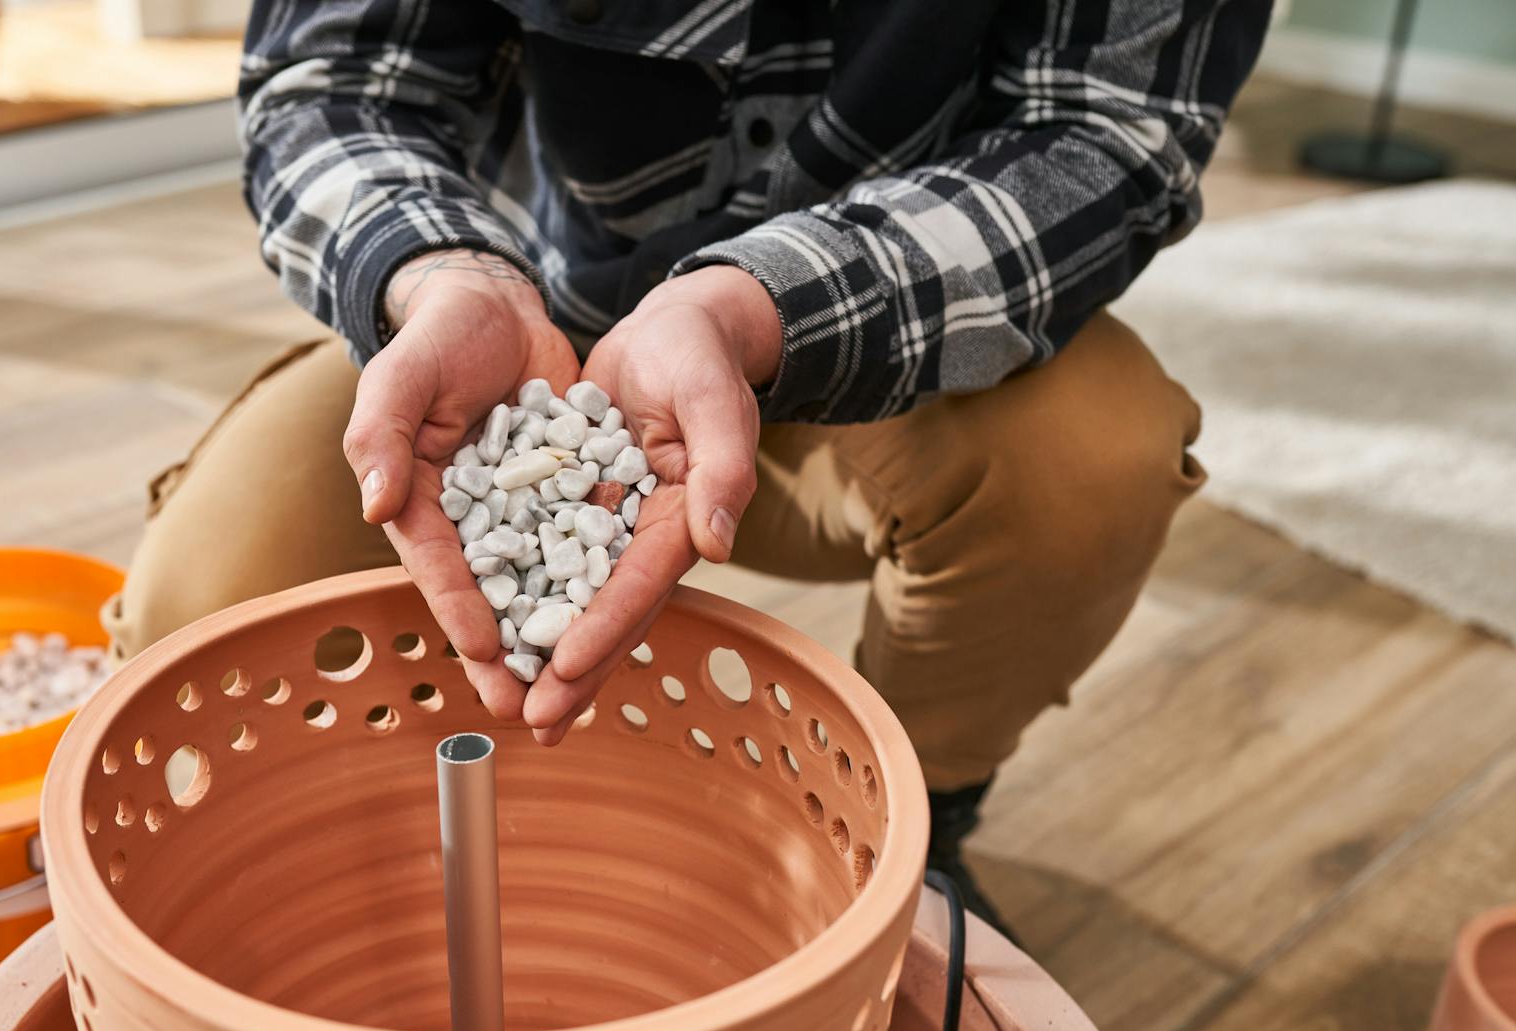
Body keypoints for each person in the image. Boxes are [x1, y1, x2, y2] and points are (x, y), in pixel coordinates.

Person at [103, 0, 1270, 932]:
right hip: (515, 329)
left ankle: (921, 815)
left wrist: (753, 309)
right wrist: (441, 274)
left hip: (887, 334)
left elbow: (1106, 134)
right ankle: (359, 848)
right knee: (203, 606)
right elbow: (331, 84)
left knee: (1092, 453)